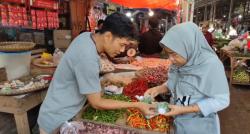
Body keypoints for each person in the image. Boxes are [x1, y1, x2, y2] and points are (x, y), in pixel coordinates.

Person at [38, 12, 156, 134]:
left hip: (64, 112)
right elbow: (97, 103)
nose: (122, 50)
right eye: (122, 45)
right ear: (108, 36)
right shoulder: (87, 56)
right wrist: (137, 105)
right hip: (57, 120)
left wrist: (109, 77)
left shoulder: (87, 37)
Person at [144, 22, 230, 134]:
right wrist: (159, 89)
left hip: (199, 126)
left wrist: (185, 109)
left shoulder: (211, 64)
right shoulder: (179, 62)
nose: (171, 59)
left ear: (188, 46)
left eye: (174, 54)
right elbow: (176, 82)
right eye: (168, 54)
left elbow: (222, 100)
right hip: (178, 120)